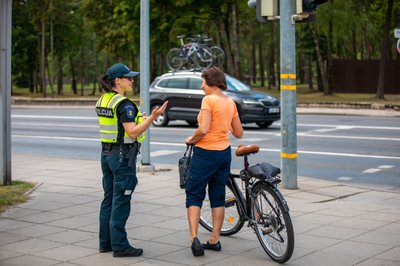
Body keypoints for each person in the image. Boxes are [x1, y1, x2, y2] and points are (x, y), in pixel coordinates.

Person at [96, 63, 168, 257]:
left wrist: (139, 118)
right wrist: (152, 117)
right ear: (118, 81)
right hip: (122, 157)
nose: (132, 80)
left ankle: (106, 243)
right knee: (121, 201)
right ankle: (120, 246)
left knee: (109, 199)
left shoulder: (104, 100)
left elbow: (118, 127)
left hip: (106, 155)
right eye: (129, 77)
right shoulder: (124, 104)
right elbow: (132, 132)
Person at [184, 67, 243, 256]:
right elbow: (239, 132)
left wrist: (191, 139)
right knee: (218, 197)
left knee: (194, 195)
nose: (201, 86)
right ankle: (214, 240)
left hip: (205, 154)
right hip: (224, 154)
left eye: (202, 82)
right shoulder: (230, 102)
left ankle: (195, 239)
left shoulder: (208, 100)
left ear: (212, 82)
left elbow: (203, 129)